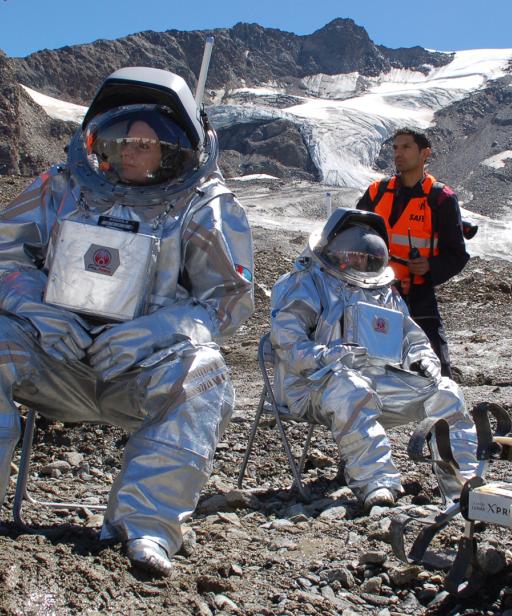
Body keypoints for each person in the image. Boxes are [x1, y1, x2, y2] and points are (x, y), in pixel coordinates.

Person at [0, 67, 254, 577]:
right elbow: (7, 257)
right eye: (122, 139)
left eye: (148, 142)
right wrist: (37, 309)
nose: (132, 150)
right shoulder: (61, 187)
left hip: (139, 372)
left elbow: (228, 299)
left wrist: (163, 330)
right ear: (102, 142)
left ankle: (145, 526)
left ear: (172, 150)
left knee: (205, 375)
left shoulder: (204, 205)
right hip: (51, 357)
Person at [270, 208, 477, 509]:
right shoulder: (306, 281)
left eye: (366, 256)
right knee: (352, 387)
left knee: (445, 391)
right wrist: (332, 357)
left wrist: (424, 361)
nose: (359, 261)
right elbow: (287, 342)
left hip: (376, 381)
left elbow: (412, 338)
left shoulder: (384, 291)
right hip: (312, 385)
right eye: (352, 253)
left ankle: (462, 486)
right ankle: (377, 484)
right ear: (332, 248)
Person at [356, 128, 469, 378]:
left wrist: (430, 266)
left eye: (406, 147)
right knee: (371, 363)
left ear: (424, 153)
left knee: (436, 367)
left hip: (417, 294)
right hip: (374, 291)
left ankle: (446, 411)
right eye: (395, 148)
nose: (398, 153)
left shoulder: (441, 198)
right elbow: (354, 236)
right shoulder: (376, 192)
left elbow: (457, 254)